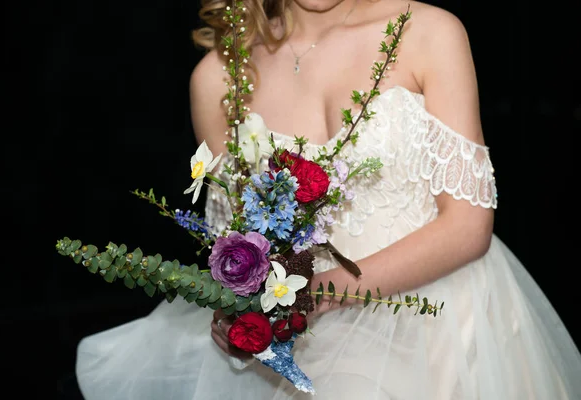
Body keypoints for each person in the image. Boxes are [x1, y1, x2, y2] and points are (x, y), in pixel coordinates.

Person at [75, 0, 581, 399]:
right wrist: (237, 313)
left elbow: (469, 227)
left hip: (443, 325)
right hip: (305, 351)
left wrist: (318, 295)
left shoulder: (427, 33)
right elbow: (238, 251)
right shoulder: (218, 78)